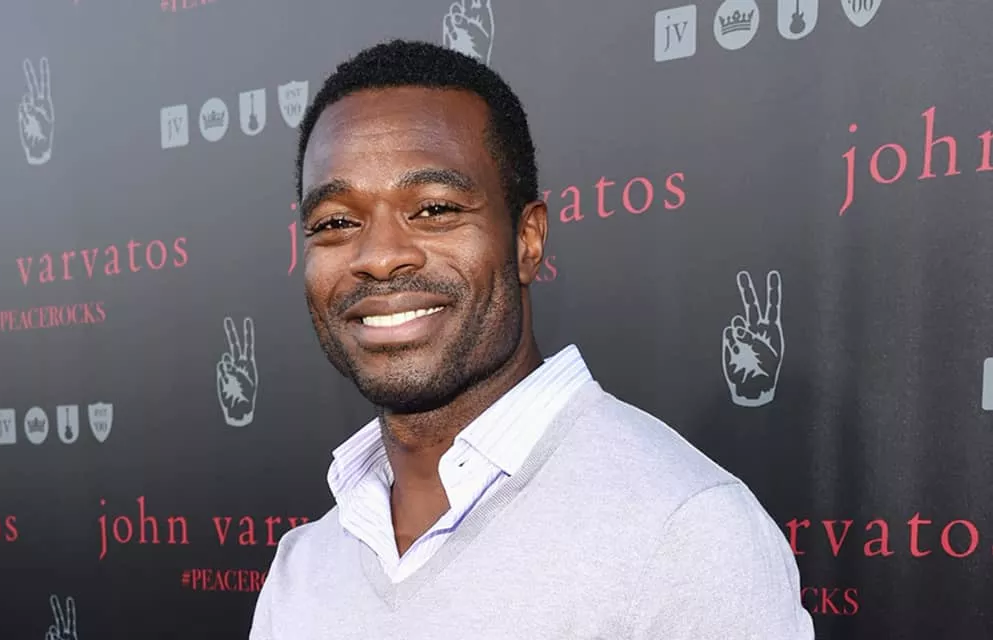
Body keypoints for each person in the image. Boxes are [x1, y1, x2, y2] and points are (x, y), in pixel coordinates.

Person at [250, 39, 815, 639]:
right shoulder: (304, 567)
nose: (380, 256)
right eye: (336, 222)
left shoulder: (684, 532)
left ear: (527, 240)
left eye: (435, 209)